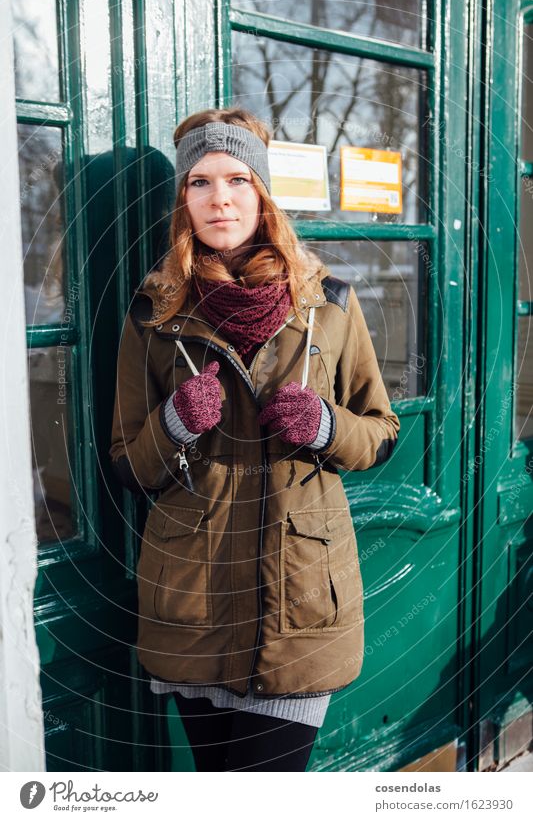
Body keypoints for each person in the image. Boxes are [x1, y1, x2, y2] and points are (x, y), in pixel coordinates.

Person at [109, 106, 401, 772]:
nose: (220, 199)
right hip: (193, 597)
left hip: (299, 596)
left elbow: (381, 433)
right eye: (201, 182)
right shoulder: (152, 312)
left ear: (262, 192)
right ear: (183, 199)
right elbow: (128, 462)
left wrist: (326, 425)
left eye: (238, 179)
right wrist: (175, 422)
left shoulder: (329, 302)